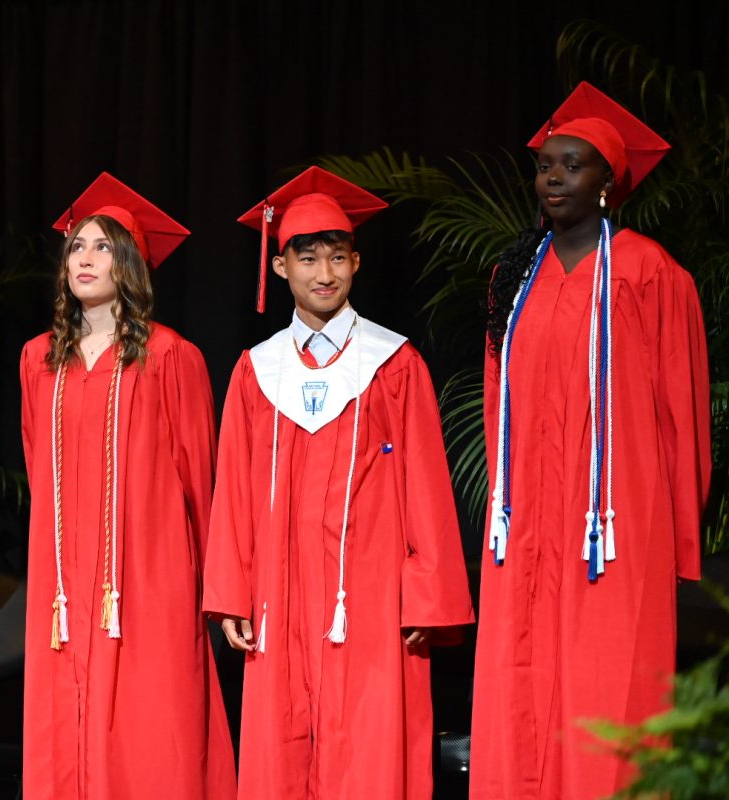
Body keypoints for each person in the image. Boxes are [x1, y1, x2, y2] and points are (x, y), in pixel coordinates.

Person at [470, 82, 711, 799]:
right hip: (526, 528)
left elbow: (683, 411)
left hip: (613, 526)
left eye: (573, 165)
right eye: (546, 164)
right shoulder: (510, 279)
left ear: (609, 181)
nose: (554, 177)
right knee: (520, 681)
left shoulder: (650, 273)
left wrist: (675, 534)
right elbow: (494, 405)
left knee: (610, 685)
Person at [203, 166, 474, 799]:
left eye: (336, 257)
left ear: (356, 263)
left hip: (370, 599)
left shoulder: (393, 364)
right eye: (306, 258)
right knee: (280, 747)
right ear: (280, 268)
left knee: (370, 748)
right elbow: (235, 492)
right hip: (279, 592)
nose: (323, 272)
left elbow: (428, 487)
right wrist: (231, 592)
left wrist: (427, 595)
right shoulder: (256, 373)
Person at [19, 172, 236, 800]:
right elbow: (39, 467)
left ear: (131, 262)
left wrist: (209, 589)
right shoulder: (38, 361)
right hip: (63, 586)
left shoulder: (172, 357)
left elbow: (202, 483)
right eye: (76, 247)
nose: (84, 258)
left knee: (153, 732)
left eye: (103, 246)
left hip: (148, 578)